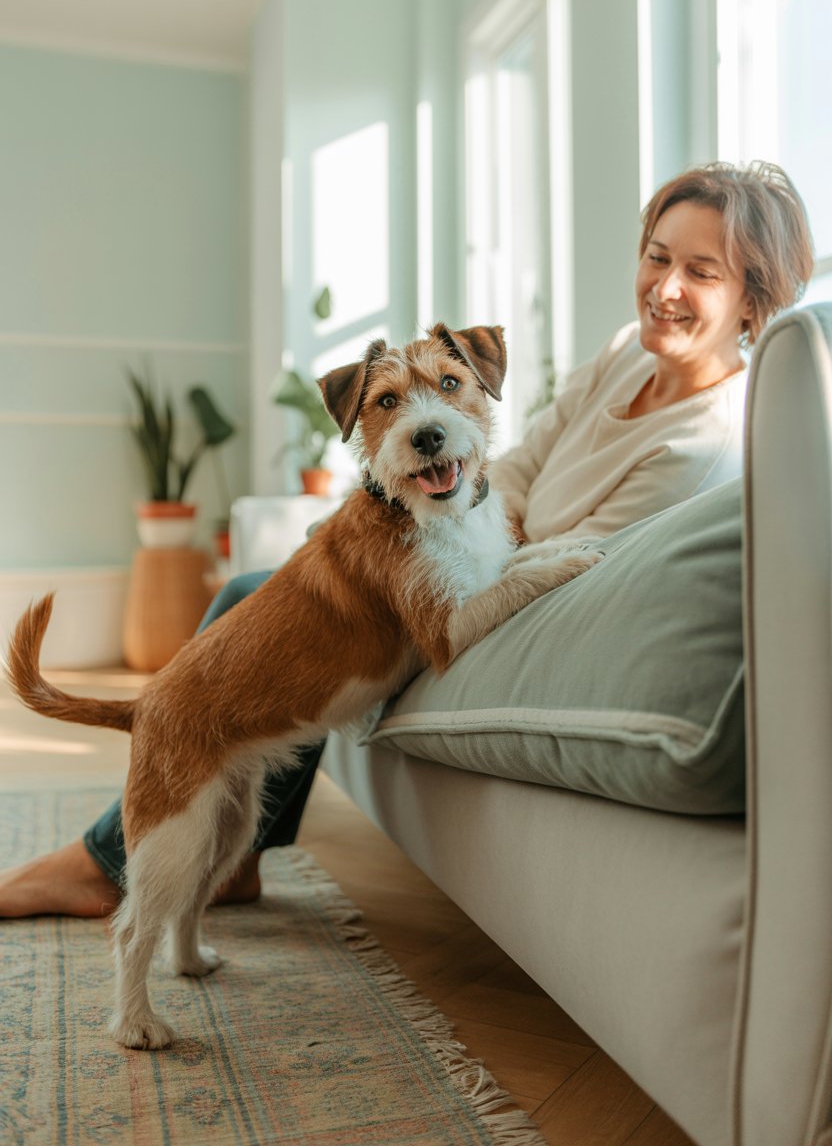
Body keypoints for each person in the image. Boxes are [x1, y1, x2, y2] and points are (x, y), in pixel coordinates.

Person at [0, 160, 814, 920]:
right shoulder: (623, 356)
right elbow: (513, 466)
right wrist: (420, 513)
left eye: (701, 272)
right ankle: (226, 853)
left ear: (754, 299)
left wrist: (427, 534)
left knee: (263, 598)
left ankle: (106, 867)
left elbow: (579, 558)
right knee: (267, 590)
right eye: (657, 257)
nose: (665, 288)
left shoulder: (705, 440)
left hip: (504, 600)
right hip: (474, 543)